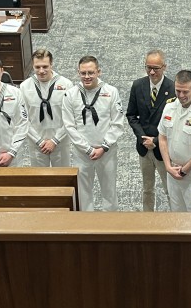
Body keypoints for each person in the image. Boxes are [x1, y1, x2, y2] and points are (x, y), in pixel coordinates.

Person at [61, 55, 125, 211]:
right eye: (83, 73)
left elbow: (117, 124)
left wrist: (104, 147)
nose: (87, 77)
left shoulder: (111, 92)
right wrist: (87, 149)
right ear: (78, 73)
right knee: (83, 192)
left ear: (99, 72)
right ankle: (87, 225)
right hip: (82, 153)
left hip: (106, 152)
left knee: (109, 190)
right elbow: (69, 126)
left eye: (91, 72)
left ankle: (110, 225)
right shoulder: (70, 95)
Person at [126, 49, 175, 212]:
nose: (152, 72)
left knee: (170, 189)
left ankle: (176, 218)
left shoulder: (173, 88)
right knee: (147, 189)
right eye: (148, 68)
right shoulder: (138, 85)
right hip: (144, 147)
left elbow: (174, 122)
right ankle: (147, 219)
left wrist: (155, 141)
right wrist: (142, 137)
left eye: (156, 68)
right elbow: (131, 115)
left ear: (164, 67)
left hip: (163, 149)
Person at [158, 69, 191, 212]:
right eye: (178, 91)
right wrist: (168, 166)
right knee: (176, 212)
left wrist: (184, 170)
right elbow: (162, 137)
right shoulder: (170, 106)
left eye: (185, 92)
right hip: (172, 172)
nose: (181, 96)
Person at [21, 48, 73, 168]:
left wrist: (55, 140)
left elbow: (70, 117)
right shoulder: (25, 87)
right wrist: (39, 141)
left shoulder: (66, 85)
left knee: (62, 179)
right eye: (37, 67)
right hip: (36, 142)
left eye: (45, 66)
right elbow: (23, 118)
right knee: (40, 181)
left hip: (60, 141)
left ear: (51, 65)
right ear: (32, 66)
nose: (41, 71)